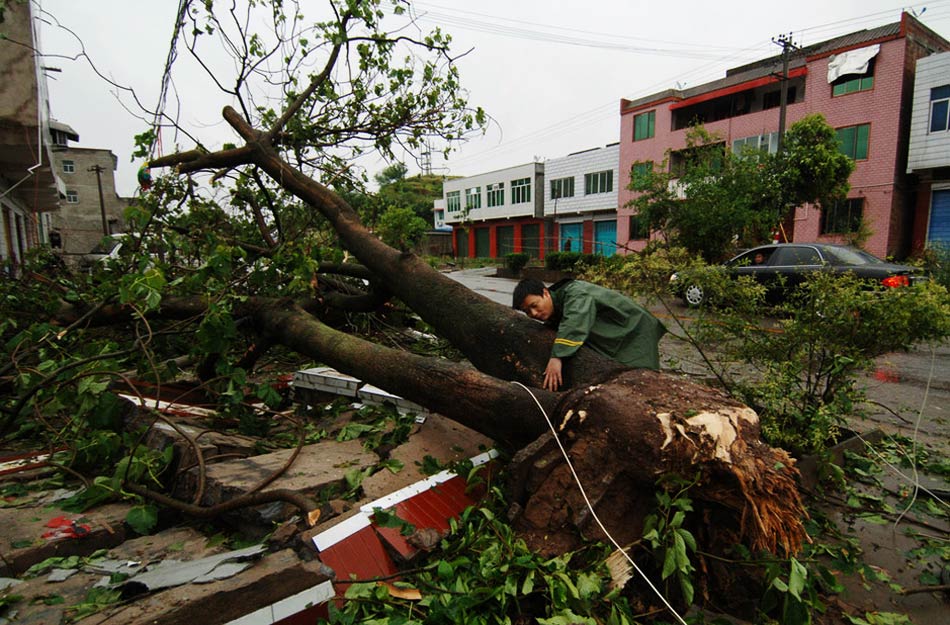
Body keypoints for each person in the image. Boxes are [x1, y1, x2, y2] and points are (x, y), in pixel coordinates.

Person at [512, 277, 667, 391]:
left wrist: (556, 357)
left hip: (633, 328)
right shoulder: (556, 304)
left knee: (644, 378)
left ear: (545, 293)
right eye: (527, 311)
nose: (533, 313)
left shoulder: (575, 292)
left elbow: (574, 322)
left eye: (534, 305)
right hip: (614, 331)